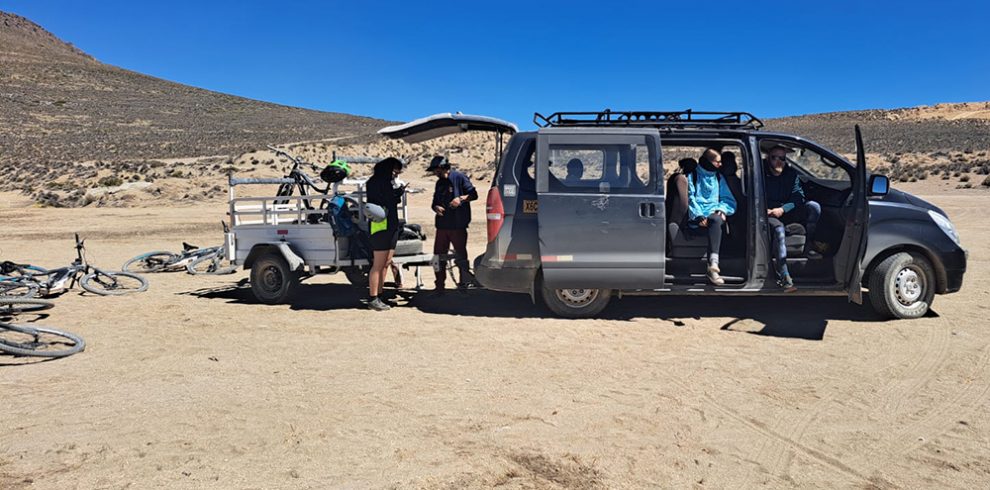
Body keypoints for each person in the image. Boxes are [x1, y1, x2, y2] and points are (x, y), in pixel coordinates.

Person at [763, 143, 822, 292]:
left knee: (814, 207)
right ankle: (784, 275)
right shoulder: (760, 174)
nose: (779, 161)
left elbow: (798, 197)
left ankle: (809, 246)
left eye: (782, 158)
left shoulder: (791, 175)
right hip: (767, 214)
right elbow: (753, 196)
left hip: (786, 211)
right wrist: (767, 210)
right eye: (775, 157)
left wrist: (783, 209)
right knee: (779, 231)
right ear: (768, 158)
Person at [428, 155, 478, 293]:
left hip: (458, 225)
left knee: (461, 256)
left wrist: (460, 199)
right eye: (434, 171)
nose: (436, 173)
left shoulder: (459, 177)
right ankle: (439, 287)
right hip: (442, 226)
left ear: (444, 168)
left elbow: (474, 194)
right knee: (438, 257)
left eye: (437, 170)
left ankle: (464, 284)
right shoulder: (439, 183)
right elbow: (434, 203)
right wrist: (436, 207)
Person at [687, 148, 736, 285]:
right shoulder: (693, 176)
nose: (721, 165)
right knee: (714, 220)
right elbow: (690, 199)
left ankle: (713, 264)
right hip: (697, 220)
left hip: (714, 219)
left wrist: (722, 210)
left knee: (716, 219)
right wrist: (699, 216)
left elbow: (728, 199)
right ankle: (713, 270)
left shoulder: (719, 177)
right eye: (718, 162)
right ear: (708, 161)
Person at [365, 157, 405, 311]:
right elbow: (389, 199)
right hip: (381, 226)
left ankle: (379, 295)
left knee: (386, 262)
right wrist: (399, 192)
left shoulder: (376, 182)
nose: (395, 174)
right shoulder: (380, 182)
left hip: (389, 225)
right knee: (379, 264)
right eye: (395, 171)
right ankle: (373, 297)